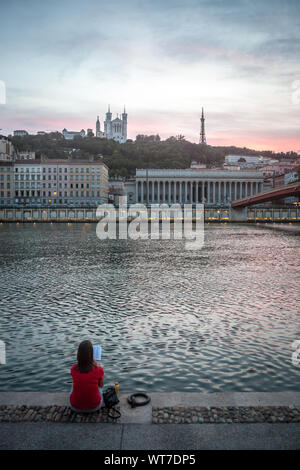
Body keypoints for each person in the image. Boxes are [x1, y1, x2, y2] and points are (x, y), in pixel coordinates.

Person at [69, 340, 104, 412]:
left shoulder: (73, 369)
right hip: (95, 407)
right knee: (99, 388)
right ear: (92, 354)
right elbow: (101, 385)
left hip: (74, 406)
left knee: (73, 386)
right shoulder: (98, 369)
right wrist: (96, 365)